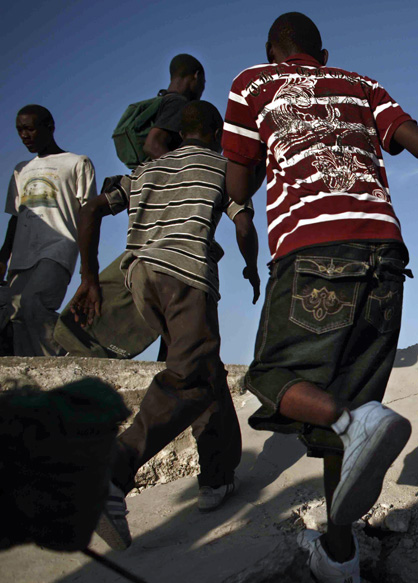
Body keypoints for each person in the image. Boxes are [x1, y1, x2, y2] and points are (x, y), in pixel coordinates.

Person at [222, 12, 418, 583]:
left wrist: (243, 207)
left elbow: (239, 180)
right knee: (361, 410)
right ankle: (339, 557)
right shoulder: (360, 85)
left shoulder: (252, 84)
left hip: (312, 252)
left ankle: (345, 422)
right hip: (384, 253)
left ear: (271, 50)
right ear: (323, 53)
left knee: (270, 374)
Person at [69, 101, 260, 551]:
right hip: (186, 276)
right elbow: (245, 224)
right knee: (189, 378)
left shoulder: (148, 170)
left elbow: (92, 209)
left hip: (141, 277)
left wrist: (90, 278)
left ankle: (218, 475)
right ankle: (112, 470)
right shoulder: (221, 167)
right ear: (216, 132)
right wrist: (251, 267)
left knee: (203, 369)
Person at [0, 105, 96, 356]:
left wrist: (88, 269)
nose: (24, 135)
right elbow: (15, 218)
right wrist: (3, 257)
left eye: (30, 128)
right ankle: (33, 381)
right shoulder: (20, 170)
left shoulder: (77, 163)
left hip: (58, 248)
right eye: (19, 130)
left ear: (50, 127)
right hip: (21, 255)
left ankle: (76, 356)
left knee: (34, 303)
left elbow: (89, 215)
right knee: (16, 315)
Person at [143, 54, 206, 162]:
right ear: (197, 75)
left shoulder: (164, 99)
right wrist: (181, 174)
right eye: (203, 82)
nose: (202, 89)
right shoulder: (178, 103)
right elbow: (152, 145)